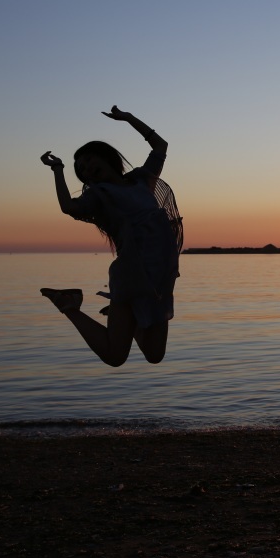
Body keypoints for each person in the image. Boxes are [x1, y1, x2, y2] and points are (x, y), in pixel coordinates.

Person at [39, 106, 181, 366]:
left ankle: (124, 316)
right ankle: (68, 304)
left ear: (107, 158)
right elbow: (68, 207)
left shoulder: (142, 181)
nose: (86, 169)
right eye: (81, 169)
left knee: (154, 355)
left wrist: (127, 119)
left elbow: (160, 145)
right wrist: (58, 170)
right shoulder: (99, 196)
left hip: (160, 278)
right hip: (131, 275)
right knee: (115, 356)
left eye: (90, 160)